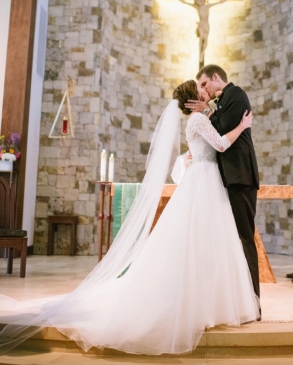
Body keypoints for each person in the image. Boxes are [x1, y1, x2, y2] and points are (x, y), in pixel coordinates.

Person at [0, 82, 259, 355]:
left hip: (205, 181)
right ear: (193, 99)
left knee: (206, 246)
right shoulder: (198, 119)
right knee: (198, 245)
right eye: (200, 89)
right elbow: (219, 144)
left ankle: (207, 301)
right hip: (203, 182)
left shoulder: (200, 118)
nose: (204, 91)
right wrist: (243, 126)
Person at [187, 64, 261, 301]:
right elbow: (215, 136)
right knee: (233, 239)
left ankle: (254, 300)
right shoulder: (221, 101)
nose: (203, 90)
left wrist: (207, 111)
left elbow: (221, 130)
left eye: (204, 84)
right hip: (229, 177)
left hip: (241, 176)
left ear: (216, 77)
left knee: (244, 238)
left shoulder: (236, 94)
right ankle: (237, 299)